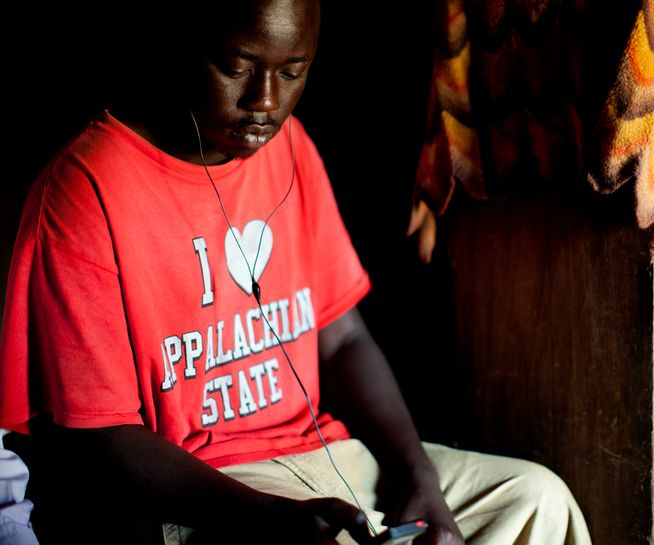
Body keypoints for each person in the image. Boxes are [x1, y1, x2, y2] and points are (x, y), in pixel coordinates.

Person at [0, 1, 592, 544]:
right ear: (182, 42)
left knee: (536, 500)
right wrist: (263, 514)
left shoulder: (288, 146)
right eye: (236, 66)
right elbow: (97, 436)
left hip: (331, 461)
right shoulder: (86, 190)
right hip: (207, 492)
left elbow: (343, 337)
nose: (264, 100)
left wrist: (420, 478)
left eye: (292, 72)